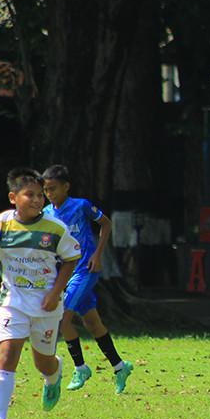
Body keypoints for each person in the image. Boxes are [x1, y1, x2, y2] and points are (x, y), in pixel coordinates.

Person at [0, 168, 81, 419]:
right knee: (7, 356)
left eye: (41, 195)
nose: (38, 200)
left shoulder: (55, 228)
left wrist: (55, 293)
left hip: (46, 306)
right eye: (30, 195)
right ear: (13, 197)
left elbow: (72, 259)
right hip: (12, 302)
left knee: (44, 362)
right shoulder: (2, 224)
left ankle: (54, 375)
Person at [42, 165, 133, 394]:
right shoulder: (48, 214)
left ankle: (80, 368)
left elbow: (106, 223)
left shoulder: (81, 206)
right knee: (92, 323)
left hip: (85, 270)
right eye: (46, 190)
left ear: (66, 187)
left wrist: (97, 254)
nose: (49, 193)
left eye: (53, 189)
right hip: (67, 274)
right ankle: (120, 367)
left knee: (62, 320)